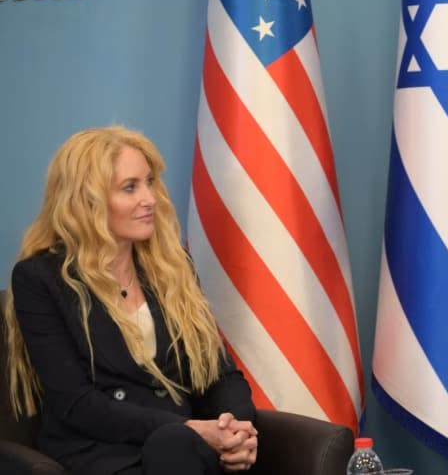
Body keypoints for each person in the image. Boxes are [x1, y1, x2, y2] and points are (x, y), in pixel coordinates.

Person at [4, 126, 259, 474]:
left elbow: (222, 376)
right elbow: (77, 403)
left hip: (184, 453)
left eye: (150, 182)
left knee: (179, 449)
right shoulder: (40, 279)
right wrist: (186, 429)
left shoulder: (171, 268)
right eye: (130, 187)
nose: (150, 199)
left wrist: (236, 430)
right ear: (86, 201)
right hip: (105, 455)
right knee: (173, 445)